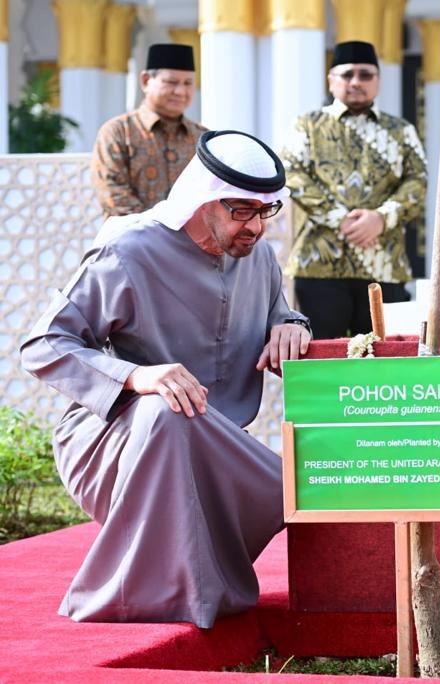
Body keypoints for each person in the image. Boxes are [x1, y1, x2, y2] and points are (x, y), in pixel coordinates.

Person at [21, 130, 311, 629]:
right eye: (241, 211)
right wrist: (137, 376)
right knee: (165, 407)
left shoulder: (257, 256)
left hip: (214, 446)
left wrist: (293, 324)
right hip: (115, 440)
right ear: (201, 201)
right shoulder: (127, 251)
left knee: (294, 491)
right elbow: (44, 344)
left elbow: (279, 313)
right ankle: (143, 598)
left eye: (265, 212)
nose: (257, 227)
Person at [280, 40, 427, 339]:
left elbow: (418, 181)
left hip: (383, 263)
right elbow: (292, 173)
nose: (356, 82)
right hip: (319, 264)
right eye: (347, 75)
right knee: (322, 357)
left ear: (378, 81)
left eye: (365, 74)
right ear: (331, 80)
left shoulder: (400, 131)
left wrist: (382, 218)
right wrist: (339, 218)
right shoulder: (308, 125)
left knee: (383, 360)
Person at [91, 43, 207, 216]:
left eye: (188, 83)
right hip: (132, 239)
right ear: (146, 81)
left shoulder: (203, 138)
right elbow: (112, 193)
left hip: (190, 241)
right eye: (171, 82)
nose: (181, 91)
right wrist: (156, 232)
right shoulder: (118, 132)